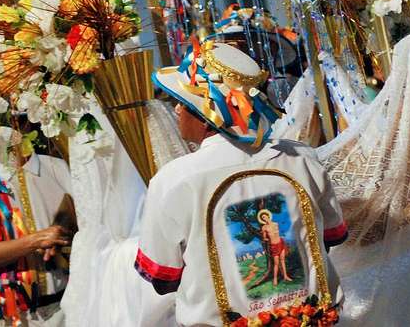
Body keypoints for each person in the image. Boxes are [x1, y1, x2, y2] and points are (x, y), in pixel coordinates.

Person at [136, 40, 346, 326]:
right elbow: (332, 238)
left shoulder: (173, 181)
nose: (175, 110)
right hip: (313, 319)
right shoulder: (302, 158)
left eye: (182, 103)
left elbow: (163, 279)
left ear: (208, 116)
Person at [0, 146, 73, 326]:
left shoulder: (58, 168)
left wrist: (62, 237)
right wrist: (36, 240)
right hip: (12, 317)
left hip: (67, 306)